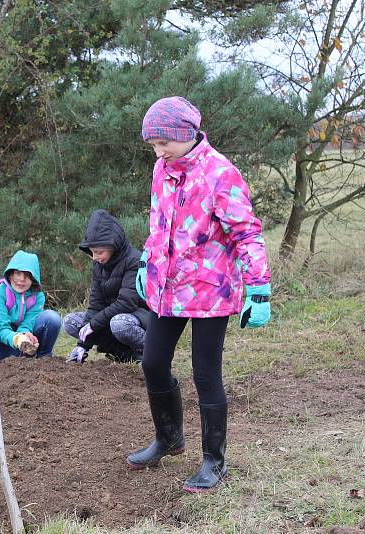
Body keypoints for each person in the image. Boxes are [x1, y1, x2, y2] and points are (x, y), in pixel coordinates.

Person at [127, 96, 271, 493]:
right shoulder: (162, 170)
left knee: (206, 374)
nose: (158, 152)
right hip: (166, 287)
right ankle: (169, 438)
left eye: (163, 143)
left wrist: (258, 289)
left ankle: (214, 461)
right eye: (153, 145)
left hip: (210, 289)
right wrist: (145, 261)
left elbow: (246, 232)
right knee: (153, 363)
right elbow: (159, 223)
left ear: (186, 134)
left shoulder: (221, 173)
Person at [63, 209, 152, 364]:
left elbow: (126, 303)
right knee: (70, 321)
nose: (95, 257)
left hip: (138, 317)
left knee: (119, 323)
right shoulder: (98, 264)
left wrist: (93, 324)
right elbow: (95, 304)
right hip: (111, 317)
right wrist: (83, 344)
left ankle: (147, 354)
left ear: (113, 245)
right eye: (92, 253)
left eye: (99, 252)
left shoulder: (134, 260)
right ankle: (119, 354)